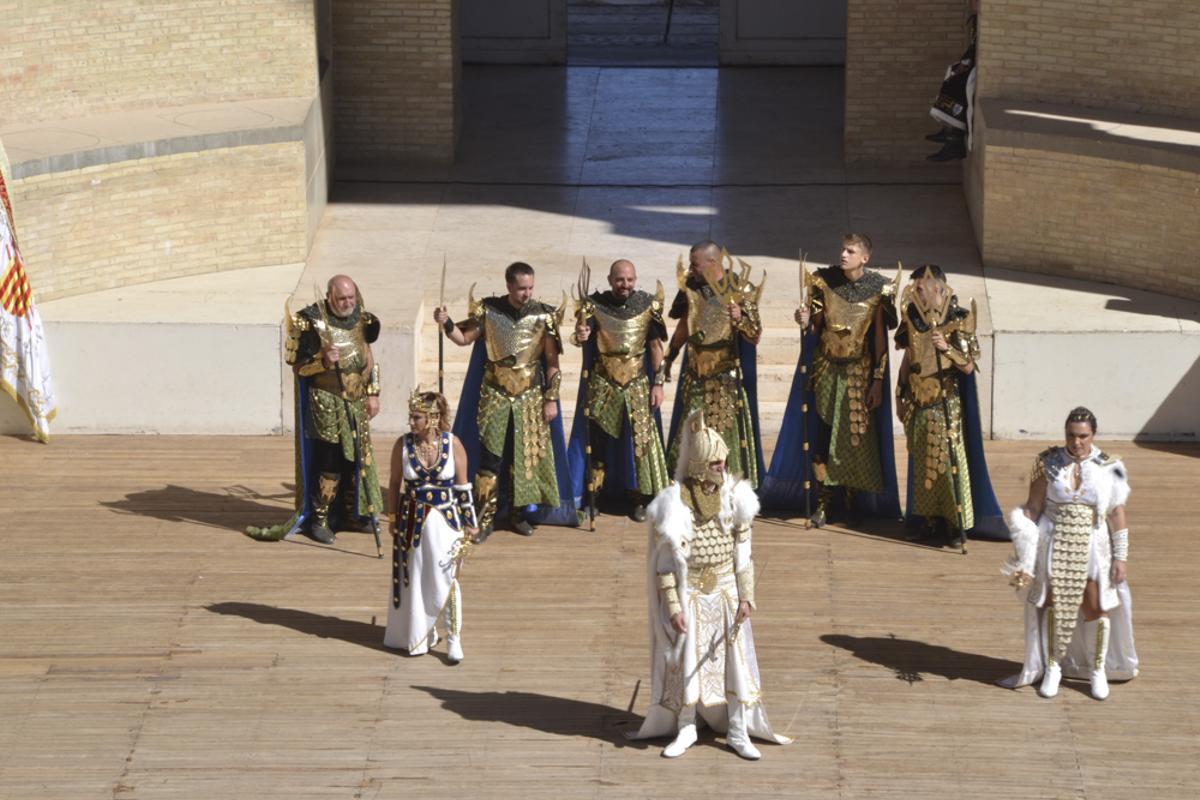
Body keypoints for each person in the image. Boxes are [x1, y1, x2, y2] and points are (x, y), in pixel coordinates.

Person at [630, 410, 789, 760]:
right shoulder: (674, 506)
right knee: (687, 663)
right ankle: (686, 726)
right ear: (700, 464)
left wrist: (746, 597)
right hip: (690, 595)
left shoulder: (735, 498)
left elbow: (743, 554)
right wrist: (673, 608)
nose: (722, 467)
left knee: (735, 665)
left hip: (726, 591)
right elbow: (666, 567)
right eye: (716, 462)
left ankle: (736, 730)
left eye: (724, 462)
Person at [1000, 407, 1138, 700]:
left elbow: (1116, 515)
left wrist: (1121, 557)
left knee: (1094, 603)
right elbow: (1033, 508)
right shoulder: (1047, 462)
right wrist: (1023, 553)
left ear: (1093, 435)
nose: (1076, 442)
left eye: (1083, 436)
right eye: (1071, 436)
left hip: (1092, 545)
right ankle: (1053, 667)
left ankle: (1097, 670)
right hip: (1053, 542)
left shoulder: (1112, 465)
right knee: (1052, 603)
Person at [434, 262, 575, 538]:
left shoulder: (543, 316)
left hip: (529, 399)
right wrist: (447, 323)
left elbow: (551, 361)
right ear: (509, 285)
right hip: (495, 397)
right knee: (490, 461)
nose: (527, 293)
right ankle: (484, 517)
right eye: (522, 288)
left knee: (522, 460)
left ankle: (518, 514)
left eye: (531, 287)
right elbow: (463, 338)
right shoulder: (489, 311)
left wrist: (551, 399)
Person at [246, 275, 383, 544]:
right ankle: (321, 518)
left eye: (351, 297)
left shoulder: (361, 318)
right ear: (330, 296)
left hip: (355, 402)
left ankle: (351, 513)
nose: (348, 303)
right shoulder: (312, 322)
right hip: (326, 400)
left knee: (355, 459)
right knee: (329, 461)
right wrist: (322, 361)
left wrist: (373, 392)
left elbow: (367, 358)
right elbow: (298, 368)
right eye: (342, 298)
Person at [787, 234, 900, 527]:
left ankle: (850, 500)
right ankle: (823, 501)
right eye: (842, 249)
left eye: (851, 251)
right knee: (823, 433)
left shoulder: (879, 288)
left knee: (854, 437)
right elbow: (817, 324)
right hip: (827, 368)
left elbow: (878, 340)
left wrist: (877, 380)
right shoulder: (825, 281)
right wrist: (805, 320)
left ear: (865, 257)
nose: (843, 254)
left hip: (858, 371)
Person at [894, 264, 1005, 547]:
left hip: (947, 402)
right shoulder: (912, 318)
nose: (918, 293)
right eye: (915, 289)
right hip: (919, 400)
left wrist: (947, 348)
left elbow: (968, 367)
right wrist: (899, 393)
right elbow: (909, 358)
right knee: (922, 461)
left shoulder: (959, 318)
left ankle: (956, 522)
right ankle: (927, 519)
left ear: (939, 289)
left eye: (922, 288)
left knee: (950, 461)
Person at [568, 259, 670, 522]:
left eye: (630, 280)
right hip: (604, 383)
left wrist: (658, 383)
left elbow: (657, 348)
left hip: (637, 383)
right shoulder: (594, 305)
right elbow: (581, 337)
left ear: (635, 280)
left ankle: (638, 498)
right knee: (598, 444)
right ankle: (594, 497)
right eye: (620, 280)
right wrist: (579, 336)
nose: (625, 285)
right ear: (611, 280)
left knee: (639, 444)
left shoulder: (648, 305)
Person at [383, 390, 478, 663]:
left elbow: (463, 486)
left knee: (447, 580)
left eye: (417, 418)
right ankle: (420, 633)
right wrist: (392, 518)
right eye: (411, 417)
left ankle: (453, 637)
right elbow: (393, 485)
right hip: (411, 523)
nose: (411, 423)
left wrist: (470, 523)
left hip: (446, 523)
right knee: (414, 578)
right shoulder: (402, 444)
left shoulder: (453, 443)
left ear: (433, 418)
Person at [664, 240, 764, 488]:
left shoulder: (741, 288)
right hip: (696, 373)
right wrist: (671, 356)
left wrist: (740, 319)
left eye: (695, 264)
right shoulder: (691, 287)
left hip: (725, 376)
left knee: (723, 436)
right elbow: (683, 325)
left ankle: (726, 486)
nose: (690, 269)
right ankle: (687, 486)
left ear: (712, 262)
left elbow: (755, 335)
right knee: (689, 433)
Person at [926, 0, 980, 161]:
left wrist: (966, 65)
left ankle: (953, 141)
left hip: (974, 70)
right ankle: (949, 130)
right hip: (971, 65)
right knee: (952, 77)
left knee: (956, 84)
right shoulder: (976, 21)